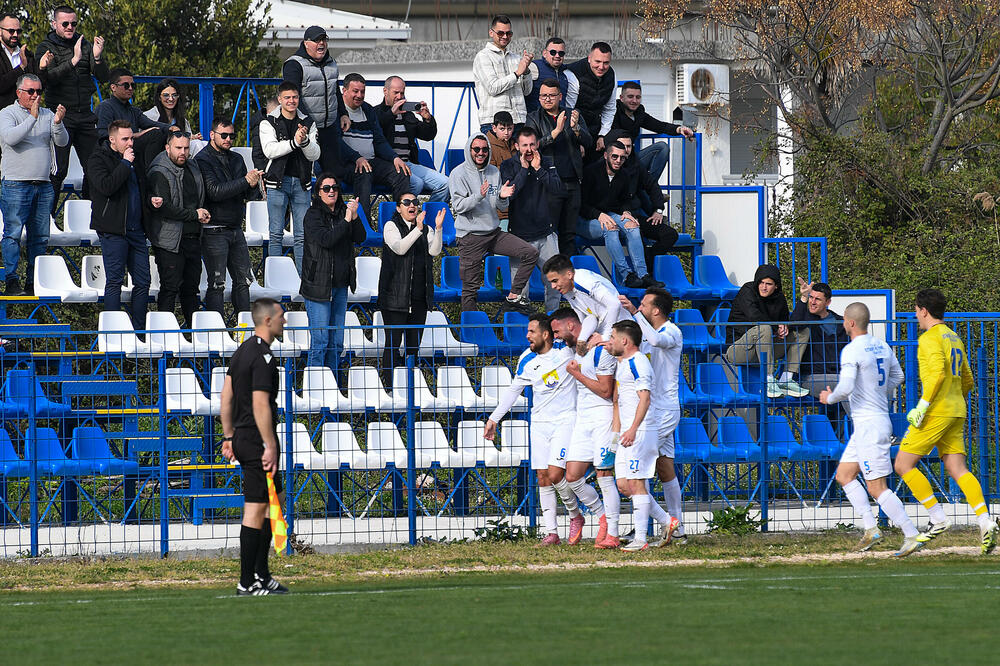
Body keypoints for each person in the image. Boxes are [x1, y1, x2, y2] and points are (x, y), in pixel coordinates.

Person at [893, 288, 998, 554]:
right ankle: (985, 521)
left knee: (903, 464)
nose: (916, 315)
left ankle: (937, 518)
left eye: (916, 310)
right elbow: (968, 379)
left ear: (923, 311)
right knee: (957, 468)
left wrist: (923, 406)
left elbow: (938, 374)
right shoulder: (954, 337)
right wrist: (955, 402)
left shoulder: (929, 338)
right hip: (956, 409)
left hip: (936, 411)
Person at [819, 303, 922, 557]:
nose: (843, 323)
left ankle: (911, 534)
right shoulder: (882, 345)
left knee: (876, 487)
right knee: (844, 475)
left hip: (869, 426)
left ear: (850, 323)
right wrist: (878, 392)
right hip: (871, 422)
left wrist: (829, 398)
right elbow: (897, 377)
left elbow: (844, 387)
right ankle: (871, 528)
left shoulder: (852, 350)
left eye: (844, 319)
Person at [484, 313, 580, 546]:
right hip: (539, 423)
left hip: (566, 420)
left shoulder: (565, 350)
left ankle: (575, 515)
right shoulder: (527, 359)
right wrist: (494, 419)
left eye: (531, 332)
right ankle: (552, 533)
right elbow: (513, 390)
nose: (527, 336)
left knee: (557, 473)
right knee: (542, 476)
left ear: (545, 334)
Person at [220, 297, 290, 596]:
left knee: (275, 500)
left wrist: (227, 437)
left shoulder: (241, 351)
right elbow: (261, 403)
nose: (285, 322)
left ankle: (262, 573)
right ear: (268, 320)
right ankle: (246, 581)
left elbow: (226, 396)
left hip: (243, 437)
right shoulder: (262, 357)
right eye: (282, 317)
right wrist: (269, 444)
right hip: (256, 439)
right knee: (256, 508)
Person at [619, 287, 686, 544]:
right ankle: (676, 529)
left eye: (644, 305)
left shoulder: (671, 331)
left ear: (656, 310)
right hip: (654, 410)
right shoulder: (648, 333)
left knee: (635, 470)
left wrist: (634, 313)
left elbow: (657, 342)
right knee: (663, 466)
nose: (641, 307)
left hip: (664, 410)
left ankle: (647, 526)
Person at [608, 319, 679, 552]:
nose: (610, 342)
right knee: (624, 485)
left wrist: (633, 429)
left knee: (637, 483)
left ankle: (641, 539)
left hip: (640, 432)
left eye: (612, 338)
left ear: (625, 341)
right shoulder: (624, 362)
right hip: (627, 433)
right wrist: (617, 432)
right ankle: (667, 521)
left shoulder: (639, 363)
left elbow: (645, 398)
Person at [449, 132, 537, 314]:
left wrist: (503, 197)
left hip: (493, 232)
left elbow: (500, 204)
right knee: (470, 290)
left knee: (530, 252)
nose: (481, 153)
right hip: (470, 236)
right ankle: (470, 335)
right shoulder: (458, 173)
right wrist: (479, 195)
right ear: (469, 150)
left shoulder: (494, 171)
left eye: (484, 149)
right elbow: (459, 207)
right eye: (476, 149)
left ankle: (513, 296)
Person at [550, 308, 616, 547]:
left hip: (602, 418)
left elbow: (606, 391)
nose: (555, 337)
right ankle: (601, 516)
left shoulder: (601, 351)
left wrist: (577, 375)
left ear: (571, 326)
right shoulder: (575, 350)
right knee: (572, 476)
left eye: (557, 331)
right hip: (582, 420)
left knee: (604, 475)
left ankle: (612, 529)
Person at [0, 75, 67, 295]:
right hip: (15, 184)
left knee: (39, 237)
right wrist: (32, 118)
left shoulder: (47, 114)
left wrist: (57, 124)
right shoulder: (7, 113)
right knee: (13, 234)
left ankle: (33, 281)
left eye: (39, 91)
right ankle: (12, 280)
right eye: (31, 91)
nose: (36, 95)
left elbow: (62, 142)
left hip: (43, 184)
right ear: (19, 92)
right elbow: (10, 138)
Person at [36, 5, 108, 205]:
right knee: (58, 170)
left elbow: (104, 78)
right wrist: (73, 61)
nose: (70, 27)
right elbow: (46, 80)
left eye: (73, 23)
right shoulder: (45, 47)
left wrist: (97, 57)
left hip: (85, 115)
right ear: (54, 24)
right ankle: (47, 222)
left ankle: (91, 219)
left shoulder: (84, 44)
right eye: (65, 23)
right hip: (59, 116)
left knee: (95, 168)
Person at [194, 117, 264, 318]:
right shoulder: (202, 160)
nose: (228, 139)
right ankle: (217, 334)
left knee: (243, 282)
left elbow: (245, 194)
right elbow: (214, 191)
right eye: (223, 135)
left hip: (235, 228)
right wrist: (245, 181)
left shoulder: (236, 159)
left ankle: (243, 331)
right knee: (217, 283)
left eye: (231, 136)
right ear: (212, 135)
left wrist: (253, 185)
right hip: (213, 230)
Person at [88, 120, 151, 329]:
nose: (130, 142)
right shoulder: (97, 159)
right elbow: (106, 187)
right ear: (112, 139)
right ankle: (113, 332)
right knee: (114, 282)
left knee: (143, 282)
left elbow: (141, 187)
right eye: (125, 139)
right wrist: (124, 164)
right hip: (113, 230)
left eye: (132, 138)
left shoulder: (135, 158)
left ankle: (139, 333)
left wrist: (151, 200)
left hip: (137, 230)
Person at [300, 174, 367, 371]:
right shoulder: (312, 215)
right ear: (318, 192)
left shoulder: (343, 213)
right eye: (327, 188)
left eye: (335, 188)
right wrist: (347, 220)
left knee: (336, 343)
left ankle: (332, 386)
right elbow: (327, 240)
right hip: (318, 286)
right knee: (320, 342)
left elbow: (361, 237)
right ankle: (314, 390)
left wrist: (354, 217)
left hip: (340, 285)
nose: (332, 191)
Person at [378, 192, 445, 385]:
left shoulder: (426, 228)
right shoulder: (391, 226)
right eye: (406, 202)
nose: (412, 205)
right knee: (392, 345)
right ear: (398, 208)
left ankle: (410, 388)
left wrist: (438, 229)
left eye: (415, 202)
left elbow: (435, 251)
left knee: (413, 347)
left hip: (418, 298)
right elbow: (399, 248)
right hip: (394, 297)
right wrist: (417, 229)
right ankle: (389, 386)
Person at [578, 140, 661, 289]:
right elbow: (580, 205)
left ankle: (643, 275)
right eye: (614, 157)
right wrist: (598, 215)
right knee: (611, 228)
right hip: (585, 219)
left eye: (622, 158)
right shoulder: (591, 172)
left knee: (633, 226)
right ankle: (627, 275)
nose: (618, 161)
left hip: (608, 214)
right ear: (605, 155)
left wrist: (626, 212)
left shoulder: (623, 174)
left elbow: (625, 200)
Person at [146, 132, 208, 329]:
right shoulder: (158, 170)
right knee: (170, 289)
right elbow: (165, 207)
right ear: (167, 148)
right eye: (178, 148)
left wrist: (202, 214)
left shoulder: (193, 166)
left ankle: (195, 338)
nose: (183, 152)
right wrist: (194, 215)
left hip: (193, 237)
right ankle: (164, 338)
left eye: (186, 148)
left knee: (191, 290)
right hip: (169, 241)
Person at [499, 127, 563, 312]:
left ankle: (553, 324)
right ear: (517, 146)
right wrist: (525, 170)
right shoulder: (508, 166)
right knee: (519, 293)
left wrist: (538, 169)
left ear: (537, 145)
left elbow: (558, 189)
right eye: (524, 145)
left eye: (532, 145)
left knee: (554, 284)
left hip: (546, 235)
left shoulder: (546, 162)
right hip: (519, 238)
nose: (528, 149)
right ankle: (524, 335)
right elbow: (510, 195)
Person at [724, 264, 811, 398]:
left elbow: (790, 323)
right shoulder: (747, 290)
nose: (764, 287)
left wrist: (804, 299)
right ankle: (768, 380)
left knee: (802, 332)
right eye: (761, 283)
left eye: (768, 284)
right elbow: (755, 317)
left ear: (776, 286)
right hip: (738, 350)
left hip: (764, 352)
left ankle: (786, 380)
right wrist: (777, 327)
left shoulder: (779, 298)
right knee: (764, 328)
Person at [525, 78, 590, 256]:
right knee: (549, 233)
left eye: (551, 95)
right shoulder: (533, 117)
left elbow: (589, 141)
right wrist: (556, 131)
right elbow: (531, 146)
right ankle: (550, 278)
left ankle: (566, 278)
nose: (547, 99)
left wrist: (576, 128)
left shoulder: (573, 114)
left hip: (572, 182)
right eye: (543, 95)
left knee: (569, 234)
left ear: (560, 96)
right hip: (548, 183)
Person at [260, 81, 320, 272]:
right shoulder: (268, 122)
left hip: (302, 183)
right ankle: (276, 277)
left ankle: (304, 281)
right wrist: (294, 142)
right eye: (287, 97)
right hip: (276, 182)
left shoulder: (308, 122)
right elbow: (270, 150)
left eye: (294, 97)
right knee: (276, 233)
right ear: (279, 99)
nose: (291, 101)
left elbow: (315, 154)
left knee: (302, 235)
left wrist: (305, 141)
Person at [337, 73, 410, 219]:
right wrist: (356, 157)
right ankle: (363, 228)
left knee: (401, 172)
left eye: (362, 91)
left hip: (370, 161)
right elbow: (335, 143)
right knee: (364, 173)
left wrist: (394, 158)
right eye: (355, 91)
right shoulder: (337, 112)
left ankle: (398, 223)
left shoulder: (368, 110)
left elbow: (379, 140)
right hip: (346, 163)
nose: (359, 95)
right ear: (344, 91)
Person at [603, 130, 678, 271]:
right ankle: (643, 277)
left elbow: (652, 185)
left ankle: (649, 260)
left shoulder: (635, 165)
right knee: (637, 238)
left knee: (670, 235)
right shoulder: (603, 167)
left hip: (635, 214)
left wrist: (658, 209)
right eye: (621, 145)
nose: (625, 150)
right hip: (616, 217)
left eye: (629, 146)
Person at [281, 26, 348, 175]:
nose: (322, 44)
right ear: (306, 43)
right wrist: (307, 122)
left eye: (324, 40)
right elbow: (292, 97)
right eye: (317, 40)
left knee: (335, 174)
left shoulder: (331, 63)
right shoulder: (294, 64)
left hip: (329, 127)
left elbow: (334, 90)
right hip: (305, 128)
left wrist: (343, 113)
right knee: (303, 174)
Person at [375, 76, 449, 202]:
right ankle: (401, 217)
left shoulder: (407, 114)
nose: (399, 96)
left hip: (408, 163)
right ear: (385, 91)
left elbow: (427, 136)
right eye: (396, 92)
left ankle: (429, 218)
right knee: (417, 183)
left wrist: (427, 119)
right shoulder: (376, 112)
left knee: (445, 184)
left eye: (402, 93)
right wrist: (391, 114)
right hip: (387, 165)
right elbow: (376, 130)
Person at [612, 81, 694, 181]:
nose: (634, 100)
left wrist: (680, 129)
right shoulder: (612, 111)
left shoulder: (639, 113)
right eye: (630, 96)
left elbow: (659, 126)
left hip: (632, 160)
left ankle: (649, 186)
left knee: (662, 147)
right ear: (621, 98)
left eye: (638, 97)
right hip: (615, 160)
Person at [95, 68, 175, 170]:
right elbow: (102, 135)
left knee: (162, 133)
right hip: (114, 153)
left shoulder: (133, 110)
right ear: (113, 87)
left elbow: (149, 123)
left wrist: (172, 129)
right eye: (126, 85)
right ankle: (151, 172)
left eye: (133, 85)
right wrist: (133, 135)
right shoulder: (105, 107)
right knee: (155, 134)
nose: (130, 88)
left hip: (132, 149)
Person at [543, 253, 627, 341]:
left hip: (622, 331)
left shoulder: (584, 280)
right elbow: (581, 316)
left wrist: (605, 337)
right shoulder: (566, 288)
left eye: (555, 281)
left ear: (569, 275)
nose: (553, 286)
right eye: (551, 282)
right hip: (603, 332)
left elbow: (615, 304)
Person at [790, 279, 849, 404]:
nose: (812, 302)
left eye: (818, 299)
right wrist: (804, 297)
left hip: (838, 375)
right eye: (811, 297)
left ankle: (844, 423)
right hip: (811, 377)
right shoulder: (804, 318)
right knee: (850, 386)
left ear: (828, 302)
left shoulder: (841, 322)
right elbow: (793, 323)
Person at [472, 14, 532, 133]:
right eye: (500, 33)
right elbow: (493, 87)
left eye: (508, 33)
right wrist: (516, 74)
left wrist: (526, 71)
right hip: (493, 122)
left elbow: (527, 91)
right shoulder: (483, 56)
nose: (505, 36)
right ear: (491, 33)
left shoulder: (516, 58)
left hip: (518, 121)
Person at [566, 42, 616, 160]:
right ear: (589, 59)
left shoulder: (611, 75)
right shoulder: (572, 74)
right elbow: (568, 111)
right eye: (597, 62)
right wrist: (578, 140)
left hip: (595, 131)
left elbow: (609, 109)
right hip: (574, 131)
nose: (601, 67)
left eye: (606, 63)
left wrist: (602, 135)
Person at [0, 13, 51, 109]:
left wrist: (42, 68)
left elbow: (40, 87)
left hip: (27, 115)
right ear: (0, 31)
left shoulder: (27, 54)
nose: (15, 35)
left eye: (18, 31)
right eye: (11, 31)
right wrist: (21, 68)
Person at [525, 37, 575, 113]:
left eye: (561, 53)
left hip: (559, 120)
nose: (557, 56)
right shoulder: (534, 67)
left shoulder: (566, 72)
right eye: (553, 52)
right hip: (537, 121)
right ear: (544, 53)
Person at [486, 112, 514, 225]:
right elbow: (490, 174)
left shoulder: (515, 144)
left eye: (510, 128)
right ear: (494, 128)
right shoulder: (487, 147)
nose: (506, 133)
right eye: (502, 129)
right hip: (497, 207)